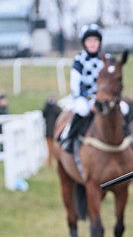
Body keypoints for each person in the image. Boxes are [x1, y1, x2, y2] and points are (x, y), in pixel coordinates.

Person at [61, 23, 105, 154]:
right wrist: (90, 99)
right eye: (89, 40)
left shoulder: (106, 59)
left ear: (99, 42)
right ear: (84, 43)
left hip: (102, 97)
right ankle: (69, 138)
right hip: (84, 97)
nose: (92, 43)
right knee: (82, 109)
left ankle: (128, 139)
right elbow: (76, 85)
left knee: (123, 109)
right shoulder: (79, 60)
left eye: (95, 40)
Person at [42, 96, 63, 166]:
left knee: (50, 149)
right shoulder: (57, 109)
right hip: (54, 132)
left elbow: (43, 113)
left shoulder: (48, 109)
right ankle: (51, 162)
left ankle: (50, 162)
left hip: (50, 132)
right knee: (52, 148)